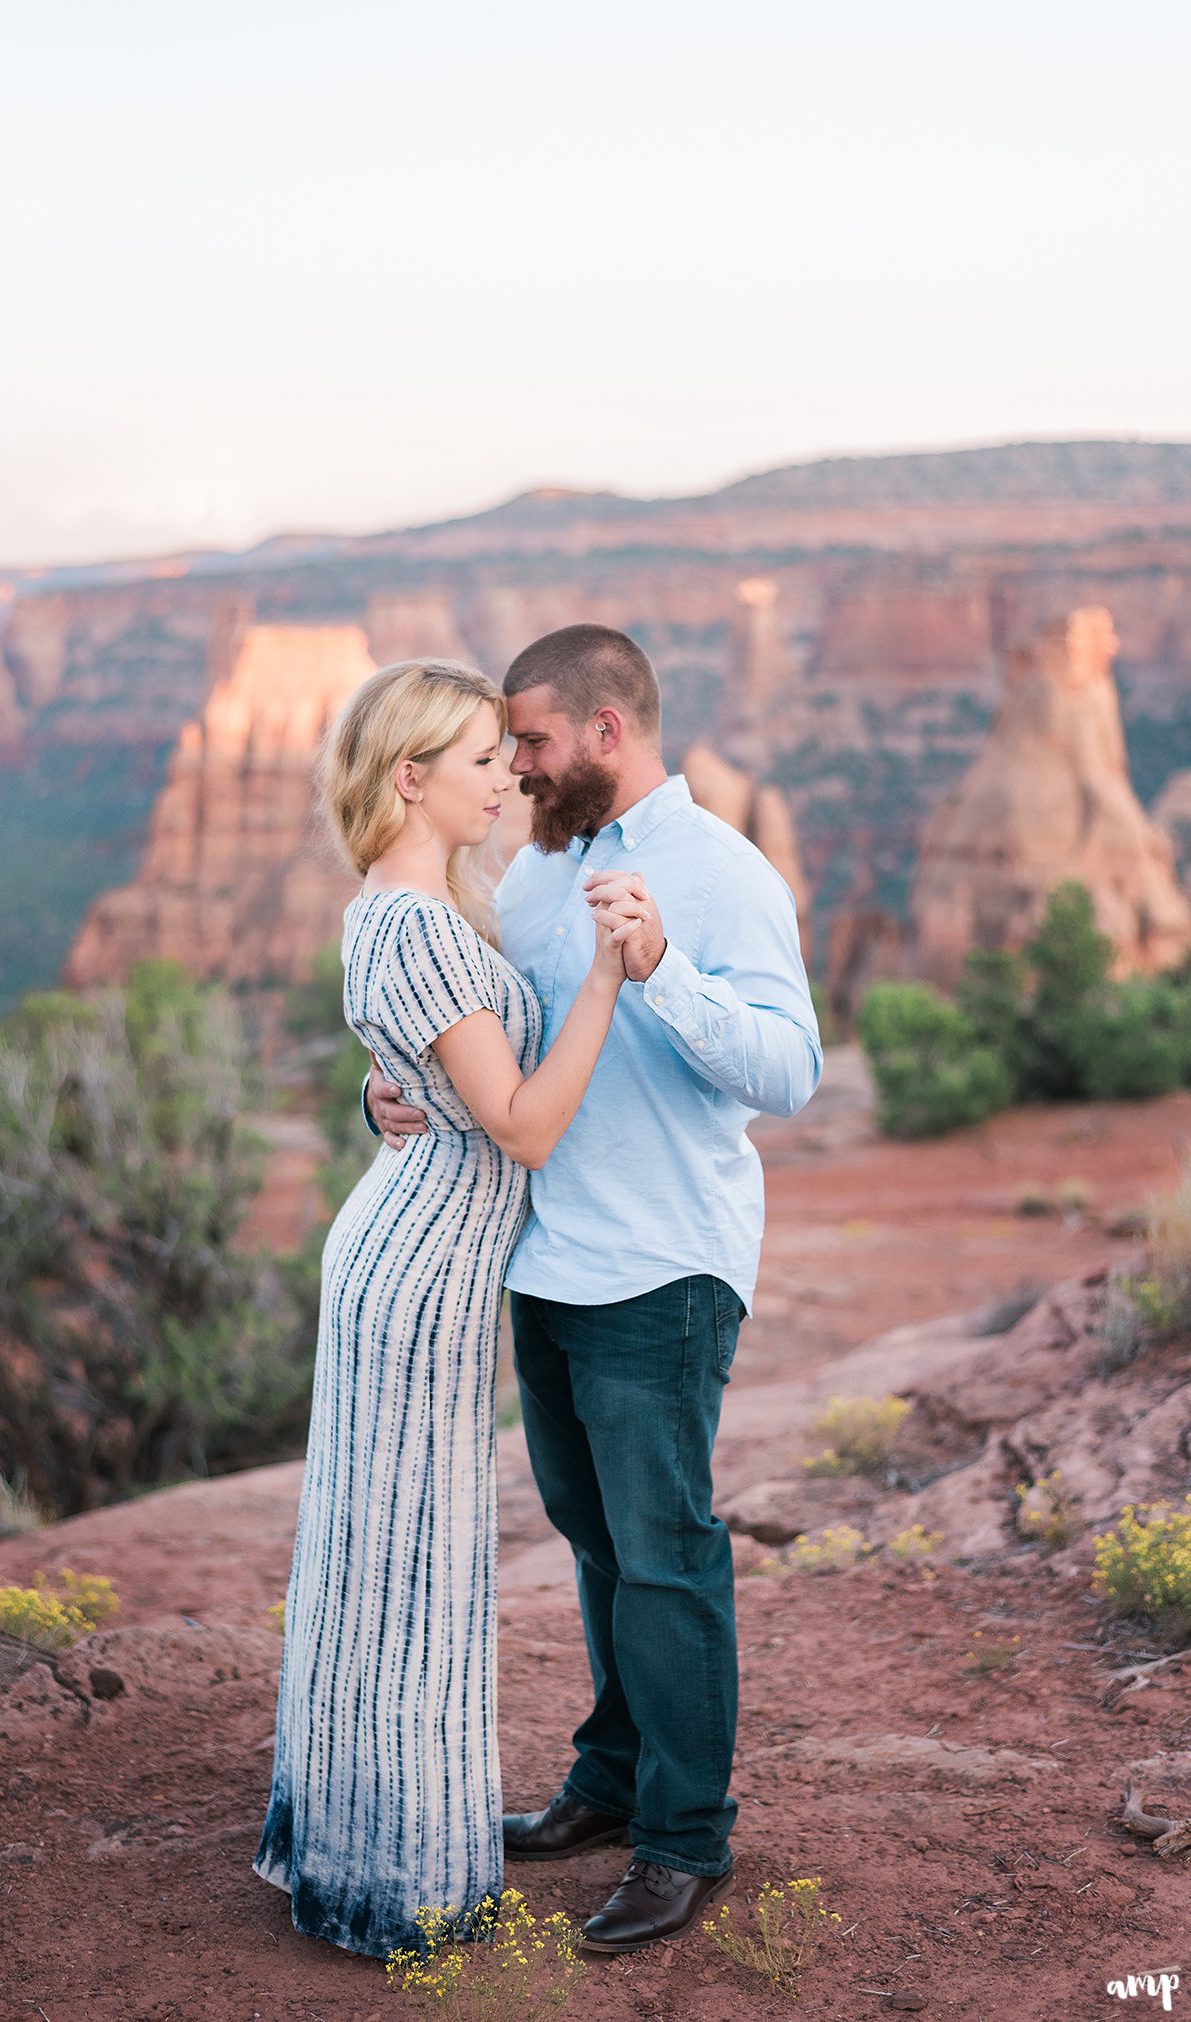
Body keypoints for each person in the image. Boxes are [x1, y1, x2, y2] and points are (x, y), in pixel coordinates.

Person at [367, 624, 822, 1954]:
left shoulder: (720, 871)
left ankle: (684, 1840)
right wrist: (393, 1091)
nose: (513, 763)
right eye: (504, 744)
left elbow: (789, 1073)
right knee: (593, 1535)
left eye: (532, 739)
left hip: (661, 1270)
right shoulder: (532, 869)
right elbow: (494, 1047)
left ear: (607, 734)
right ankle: (612, 1781)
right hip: (544, 1260)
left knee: (665, 1552)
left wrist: (666, 967)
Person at [253, 658, 631, 1960]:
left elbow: (418, 1074)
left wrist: (381, 1093)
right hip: (419, 1271)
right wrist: (603, 978)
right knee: (411, 1564)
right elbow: (522, 1126)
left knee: (377, 1559)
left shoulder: (395, 906)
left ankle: (351, 1845)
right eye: (479, 760)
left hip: (404, 1238)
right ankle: (397, 1884)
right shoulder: (417, 922)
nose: (506, 777)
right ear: (409, 777)